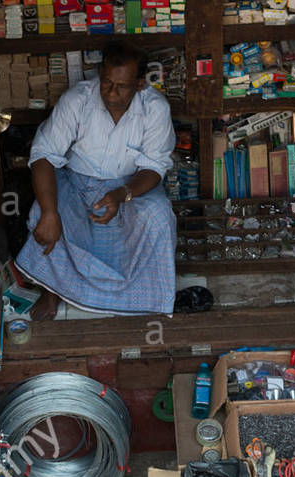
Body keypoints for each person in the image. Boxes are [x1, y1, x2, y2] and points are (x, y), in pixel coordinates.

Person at [14, 41, 177, 320]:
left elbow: (154, 168)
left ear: (139, 84)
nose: (111, 93)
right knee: (43, 211)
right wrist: (52, 212)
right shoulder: (78, 99)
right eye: (106, 83)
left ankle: (145, 300)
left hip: (129, 187)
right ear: (100, 74)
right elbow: (43, 156)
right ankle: (51, 291)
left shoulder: (155, 109)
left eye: (121, 87)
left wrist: (121, 194)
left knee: (159, 217)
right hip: (77, 183)